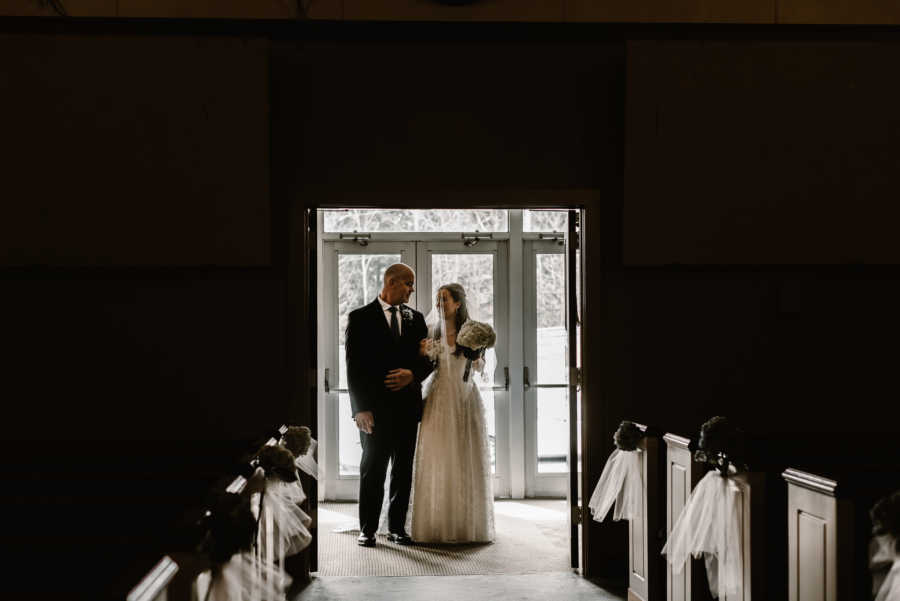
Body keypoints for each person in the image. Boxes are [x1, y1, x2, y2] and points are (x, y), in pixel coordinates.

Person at [345, 263, 432, 547]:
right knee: (373, 469)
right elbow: (353, 367)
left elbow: (427, 361)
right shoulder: (359, 318)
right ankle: (367, 529)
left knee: (403, 470)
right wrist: (359, 409)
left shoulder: (416, 319)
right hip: (374, 411)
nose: (412, 289)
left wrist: (412, 375)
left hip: (407, 408)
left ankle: (397, 528)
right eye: (408, 283)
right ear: (392, 282)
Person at [410, 283, 495, 543]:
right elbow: (423, 366)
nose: (439, 304)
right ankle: (435, 523)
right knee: (439, 457)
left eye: (444, 299)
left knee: (464, 456)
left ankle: (466, 524)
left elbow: (480, 369)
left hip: (465, 399)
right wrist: (423, 353)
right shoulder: (431, 331)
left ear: (457, 304)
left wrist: (476, 354)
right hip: (439, 399)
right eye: (437, 299)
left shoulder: (471, 331)